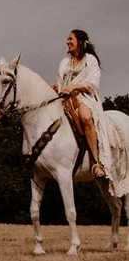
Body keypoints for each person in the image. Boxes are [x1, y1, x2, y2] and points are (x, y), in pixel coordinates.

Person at [53, 29, 112, 179]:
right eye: (67, 39)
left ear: (79, 42)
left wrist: (73, 87)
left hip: (85, 97)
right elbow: (60, 82)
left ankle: (96, 163)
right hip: (65, 99)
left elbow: (93, 84)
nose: (67, 42)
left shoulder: (90, 60)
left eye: (70, 39)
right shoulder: (64, 62)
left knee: (85, 116)